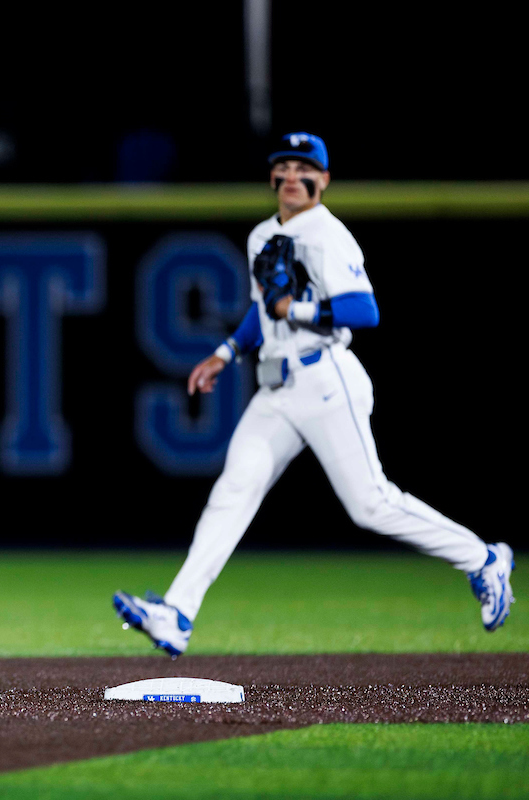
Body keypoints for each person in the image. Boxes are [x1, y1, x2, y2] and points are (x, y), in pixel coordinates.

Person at [113, 132, 515, 657]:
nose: (292, 176)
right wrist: (226, 352)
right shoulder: (262, 235)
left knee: (370, 504)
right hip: (276, 386)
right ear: (273, 177)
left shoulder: (330, 235)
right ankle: (176, 614)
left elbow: (364, 310)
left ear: (323, 180)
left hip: (327, 378)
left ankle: (483, 559)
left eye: (305, 168)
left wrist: (295, 312)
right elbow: (263, 309)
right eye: (283, 166)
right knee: (232, 491)